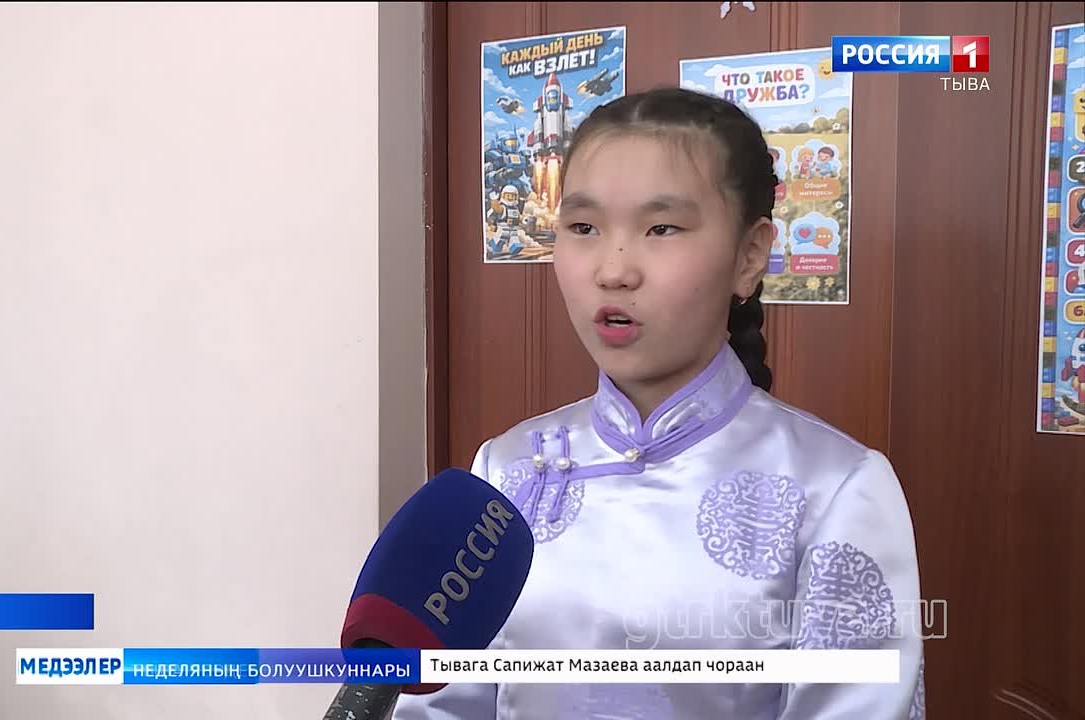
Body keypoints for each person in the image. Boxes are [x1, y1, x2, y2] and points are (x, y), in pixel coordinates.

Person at [393, 87, 925, 719]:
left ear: (750, 255)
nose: (614, 270)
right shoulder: (506, 468)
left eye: (661, 228)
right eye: (583, 228)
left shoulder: (836, 487)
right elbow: (442, 704)